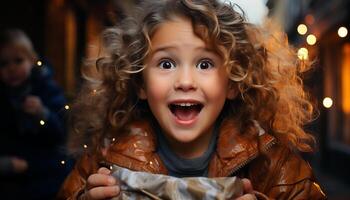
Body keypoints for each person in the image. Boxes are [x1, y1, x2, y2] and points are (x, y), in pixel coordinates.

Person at [58, 0, 326, 199]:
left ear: (233, 82)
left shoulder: (273, 166)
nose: (185, 81)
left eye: (205, 64)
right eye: (165, 64)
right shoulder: (103, 159)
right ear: (140, 83)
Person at [0, 29, 71, 199]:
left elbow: (61, 132)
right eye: (3, 64)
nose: (11, 68)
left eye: (18, 61)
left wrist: (43, 114)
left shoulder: (46, 89)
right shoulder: (4, 97)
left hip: (45, 170)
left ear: (32, 61)